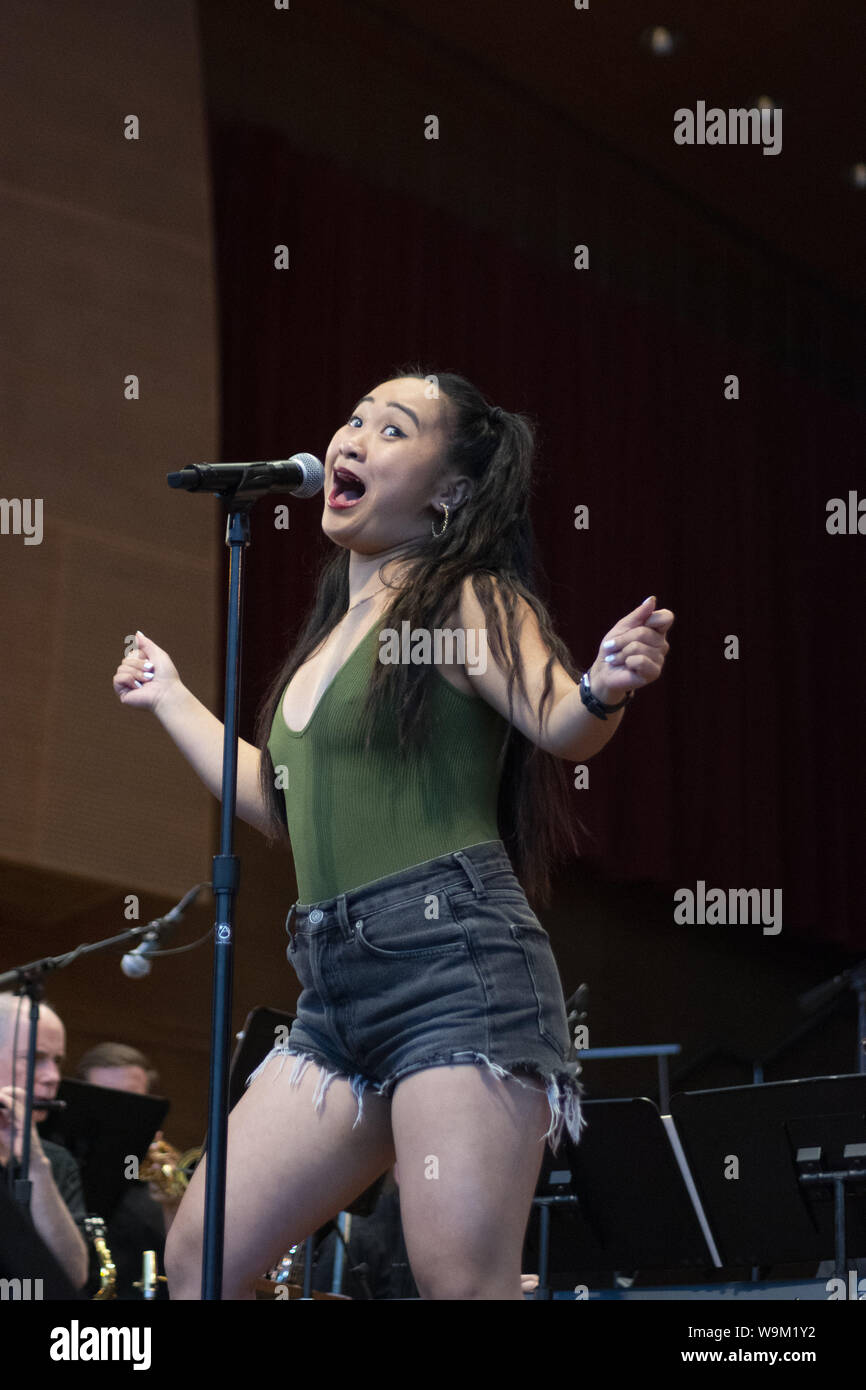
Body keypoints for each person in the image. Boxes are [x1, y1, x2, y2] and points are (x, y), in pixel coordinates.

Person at [112, 365, 674, 1300]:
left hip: (455, 972)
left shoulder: (467, 600)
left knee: (461, 1283)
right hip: (334, 996)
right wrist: (171, 697)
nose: (353, 437)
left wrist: (603, 688)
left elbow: (559, 722)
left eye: (393, 428)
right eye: (355, 418)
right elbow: (277, 800)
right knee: (200, 1259)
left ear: (451, 489)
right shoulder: (334, 631)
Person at [75, 1042, 179, 1298]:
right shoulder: (63, 1167)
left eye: (133, 1101)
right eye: (106, 1100)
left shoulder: (162, 1171)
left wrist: (173, 1202)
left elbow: (190, 1267)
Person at [0, 994, 89, 1289]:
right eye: (35, 1059)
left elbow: (72, 1276)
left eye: (57, 1061)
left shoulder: (56, 1162)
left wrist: (37, 1165)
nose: (53, 1077)